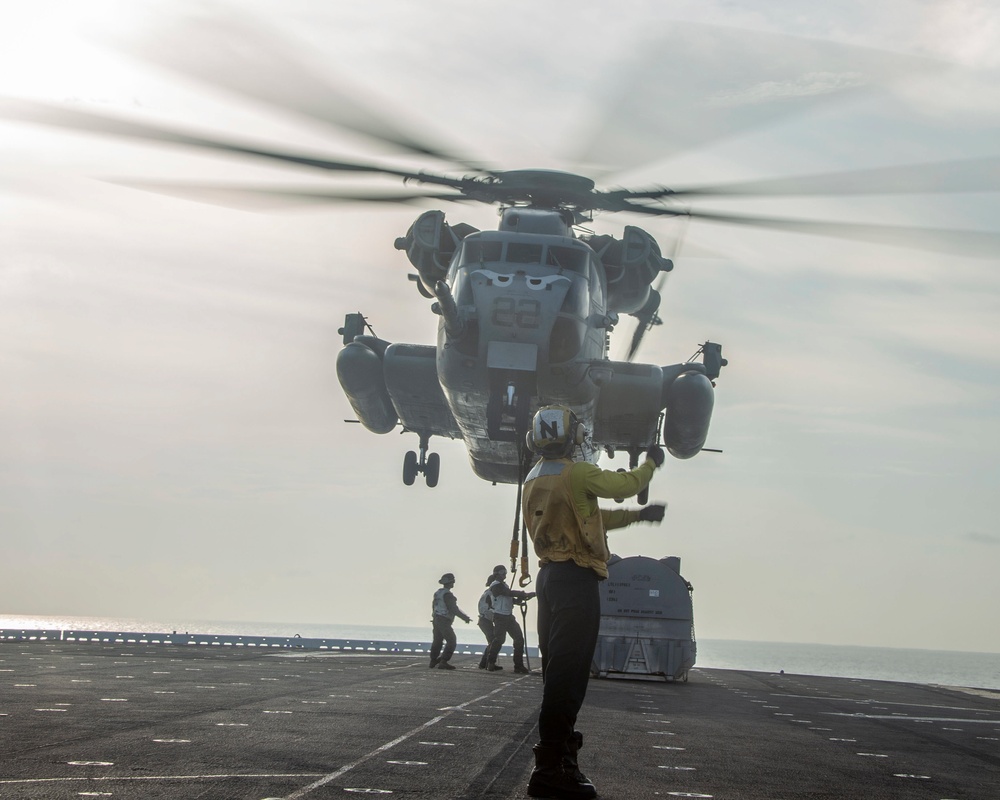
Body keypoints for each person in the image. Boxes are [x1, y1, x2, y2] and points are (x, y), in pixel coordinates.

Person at [521, 405, 666, 800]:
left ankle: (559, 759)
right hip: (575, 579)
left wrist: (637, 516)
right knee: (569, 677)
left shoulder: (535, 477)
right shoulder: (578, 472)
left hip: (549, 579)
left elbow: (589, 515)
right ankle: (551, 768)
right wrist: (651, 463)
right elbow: (624, 484)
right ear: (572, 437)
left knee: (557, 673)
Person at [484, 564, 535, 674]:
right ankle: (490, 662)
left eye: (505, 573)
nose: (505, 575)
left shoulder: (504, 586)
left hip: (509, 617)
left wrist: (521, 600)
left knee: (519, 639)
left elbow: (510, 599)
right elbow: (508, 593)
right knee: (499, 639)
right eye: (503, 573)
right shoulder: (495, 586)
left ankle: (518, 665)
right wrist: (523, 594)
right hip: (500, 617)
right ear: (496, 574)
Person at [429, 572, 471, 670]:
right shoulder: (448, 595)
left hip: (436, 618)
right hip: (444, 620)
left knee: (437, 641)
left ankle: (433, 660)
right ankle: (443, 661)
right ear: (451, 582)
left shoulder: (437, 593)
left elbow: (433, 606)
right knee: (451, 640)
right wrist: (465, 617)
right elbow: (453, 608)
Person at [476, 574, 497, 670]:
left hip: (483, 620)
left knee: (492, 641)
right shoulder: (491, 594)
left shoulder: (486, 593)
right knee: (493, 641)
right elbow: (492, 607)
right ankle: (485, 663)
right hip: (485, 620)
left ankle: (485, 663)